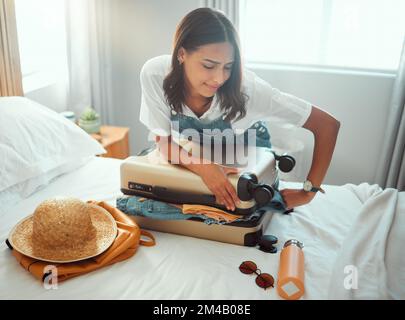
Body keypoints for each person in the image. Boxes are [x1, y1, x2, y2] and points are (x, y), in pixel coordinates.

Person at [139, 7, 340, 212]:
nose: (219, 78)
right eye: (209, 65)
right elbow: (164, 143)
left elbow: (327, 125)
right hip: (200, 153)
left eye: (228, 67)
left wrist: (308, 192)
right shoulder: (155, 75)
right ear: (181, 54)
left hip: (246, 156)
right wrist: (205, 167)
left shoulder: (250, 91)